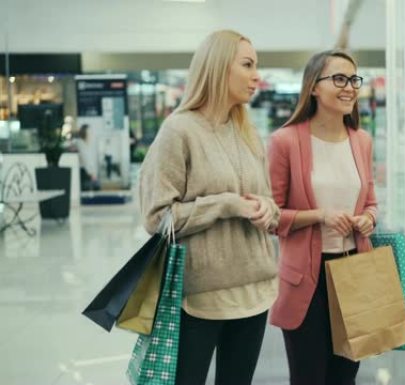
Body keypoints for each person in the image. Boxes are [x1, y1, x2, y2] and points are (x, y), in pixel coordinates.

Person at [139, 30, 280, 385]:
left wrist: (266, 208)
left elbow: (271, 206)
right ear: (218, 68)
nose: (256, 75)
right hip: (199, 296)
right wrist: (225, 205)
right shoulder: (179, 131)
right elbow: (158, 218)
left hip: (254, 291)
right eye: (247, 65)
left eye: (256, 66)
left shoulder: (247, 133)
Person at [268, 50, 378, 385]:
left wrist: (368, 220)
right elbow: (272, 217)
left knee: (345, 377)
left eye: (354, 80)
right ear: (314, 87)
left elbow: (371, 203)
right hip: (306, 278)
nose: (350, 88)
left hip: (354, 272)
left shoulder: (361, 141)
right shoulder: (285, 141)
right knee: (309, 377)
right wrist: (321, 216)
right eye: (340, 79)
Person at [73, 124, 100, 191]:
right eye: (89, 133)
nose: (91, 135)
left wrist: (94, 173)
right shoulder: (80, 143)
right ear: (85, 133)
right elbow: (85, 160)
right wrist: (92, 173)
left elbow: (91, 160)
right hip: (84, 172)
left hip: (89, 172)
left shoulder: (88, 145)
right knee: (86, 191)